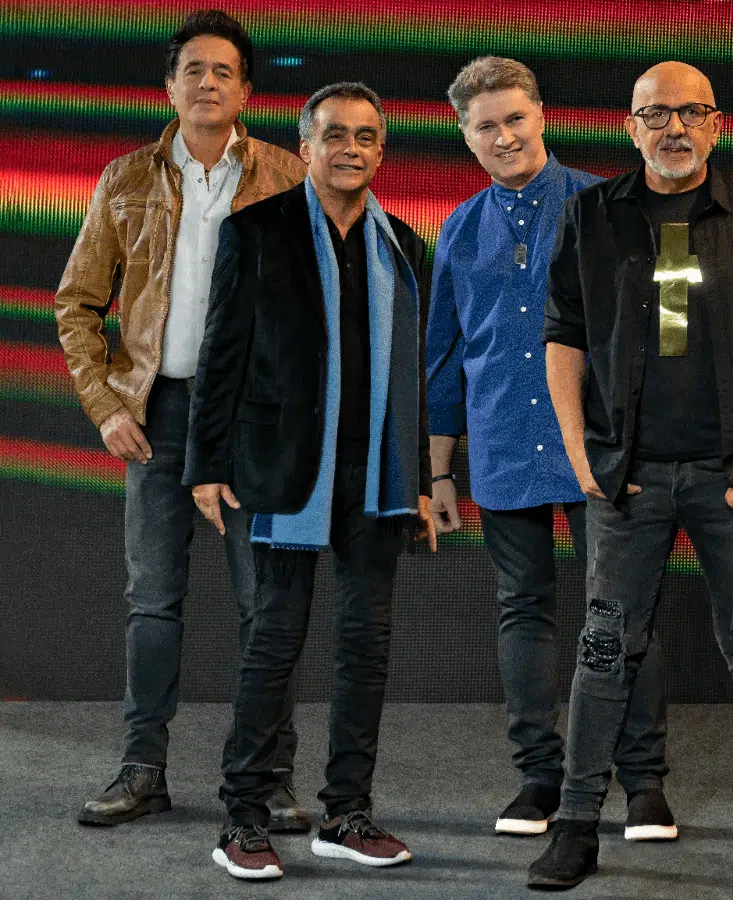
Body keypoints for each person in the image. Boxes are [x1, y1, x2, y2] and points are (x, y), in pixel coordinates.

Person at [528, 61, 733, 893]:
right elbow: (563, 334)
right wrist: (581, 456)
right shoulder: (591, 215)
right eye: (656, 114)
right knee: (605, 649)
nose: (673, 128)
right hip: (626, 476)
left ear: (717, 125)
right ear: (630, 126)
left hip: (732, 474)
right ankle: (576, 826)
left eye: (691, 113)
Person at [55, 9, 309, 831]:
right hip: (157, 412)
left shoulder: (287, 175)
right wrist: (106, 407)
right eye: (192, 69)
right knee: (153, 599)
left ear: (246, 91)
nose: (207, 83)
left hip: (254, 419)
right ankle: (142, 769)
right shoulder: (126, 177)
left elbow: (315, 311)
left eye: (223, 71)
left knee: (264, 601)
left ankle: (268, 775)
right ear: (169, 86)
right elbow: (76, 303)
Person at [184, 82, 436, 880]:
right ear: (306, 147)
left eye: (365, 136)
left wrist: (422, 477)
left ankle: (346, 813)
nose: (350, 149)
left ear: (381, 151)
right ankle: (243, 818)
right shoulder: (256, 231)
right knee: (273, 643)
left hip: (378, 477)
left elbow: (415, 375)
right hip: (287, 471)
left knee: (366, 647)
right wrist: (205, 466)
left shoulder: (403, 246)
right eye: (334, 135)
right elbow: (221, 353)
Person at [427, 56, 674, 839]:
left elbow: (665, 327)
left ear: (541, 116)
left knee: (621, 612)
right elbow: (443, 358)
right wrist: (439, 469)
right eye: (486, 126)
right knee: (522, 609)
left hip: (602, 448)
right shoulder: (459, 229)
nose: (504, 137)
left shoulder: (610, 207)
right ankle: (539, 777)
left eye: (514, 119)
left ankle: (642, 782)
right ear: (466, 136)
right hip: (502, 445)